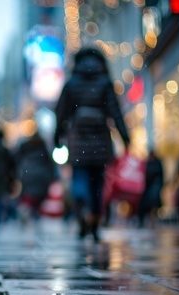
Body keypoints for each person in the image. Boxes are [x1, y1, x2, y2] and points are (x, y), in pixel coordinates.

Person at [54, 47, 130, 242]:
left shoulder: (72, 83)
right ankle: (95, 221)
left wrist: (58, 136)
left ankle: (80, 205)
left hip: (78, 138)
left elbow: (61, 113)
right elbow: (115, 112)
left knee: (79, 176)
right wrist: (125, 137)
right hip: (101, 141)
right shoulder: (105, 83)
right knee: (98, 181)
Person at [15, 133, 56, 224]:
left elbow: (16, 160)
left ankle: (26, 212)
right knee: (39, 197)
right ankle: (34, 214)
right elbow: (50, 163)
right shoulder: (43, 148)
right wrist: (52, 177)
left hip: (28, 174)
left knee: (28, 195)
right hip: (41, 176)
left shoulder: (24, 147)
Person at [137, 149, 164, 228]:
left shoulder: (152, 163)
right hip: (150, 188)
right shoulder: (152, 163)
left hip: (153, 188)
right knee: (149, 206)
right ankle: (149, 221)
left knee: (152, 206)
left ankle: (151, 221)